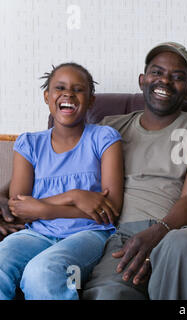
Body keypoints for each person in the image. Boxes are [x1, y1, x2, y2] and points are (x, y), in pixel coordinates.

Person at [81, 42, 187, 300]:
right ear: (142, 80)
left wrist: (159, 232)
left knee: (181, 246)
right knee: (109, 294)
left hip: (179, 231)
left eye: (177, 77)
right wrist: (7, 194)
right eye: (157, 72)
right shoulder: (110, 127)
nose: (164, 81)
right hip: (121, 236)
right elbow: (62, 162)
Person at [0, 62, 124, 300]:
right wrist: (75, 196)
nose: (68, 93)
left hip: (89, 234)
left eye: (78, 89)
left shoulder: (104, 138)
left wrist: (43, 208)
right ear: (47, 96)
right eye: (60, 88)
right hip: (36, 234)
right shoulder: (29, 144)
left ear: (91, 101)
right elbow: (19, 208)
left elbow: (110, 211)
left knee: (42, 272)